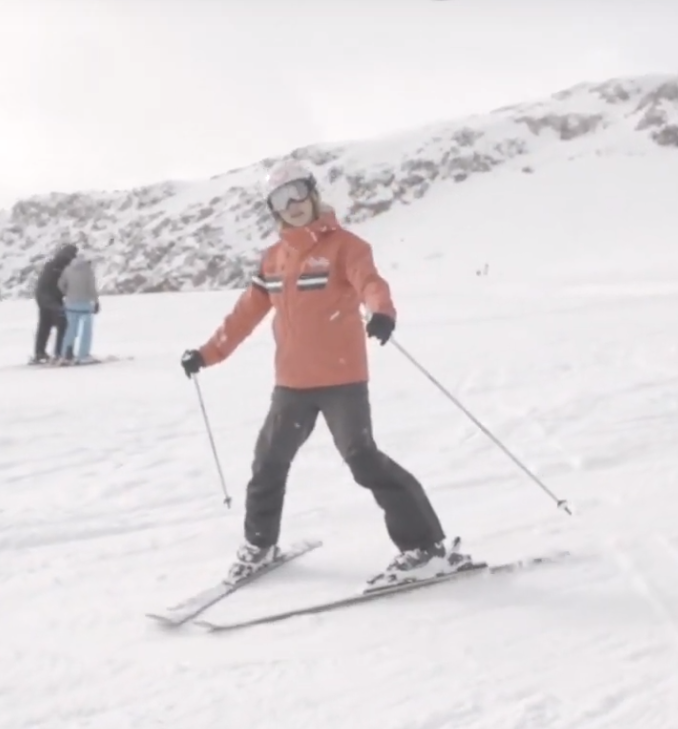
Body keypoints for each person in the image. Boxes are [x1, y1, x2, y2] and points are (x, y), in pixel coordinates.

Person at [178, 159, 472, 589]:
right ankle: (260, 545)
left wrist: (382, 312)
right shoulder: (273, 260)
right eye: (281, 199)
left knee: (363, 459)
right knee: (267, 464)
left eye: (298, 192)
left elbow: (370, 283)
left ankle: (426, 548)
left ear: (313, 194)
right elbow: (243, 316)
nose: (292, 204)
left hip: (341, 379)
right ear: (273, 209)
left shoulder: (346, 247)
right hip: (292, 384)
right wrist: (207, 354)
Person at [32, 243, 78, 364]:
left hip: (43, 297)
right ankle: (62, 353)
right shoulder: (63, 264)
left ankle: (40, 353)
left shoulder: (54, 263)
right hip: (50, 299)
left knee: (45, 324)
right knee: (64, 323)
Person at [58, 251, 101, 364]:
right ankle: (83, 355)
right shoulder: (88, 271)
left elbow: (61, 284)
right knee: (86, 331)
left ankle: (66, 354)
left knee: (71, 330)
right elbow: (91, 288)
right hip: (84, 305)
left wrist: (67, 293)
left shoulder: (67, 269)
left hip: (70, 304)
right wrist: (96, 301)